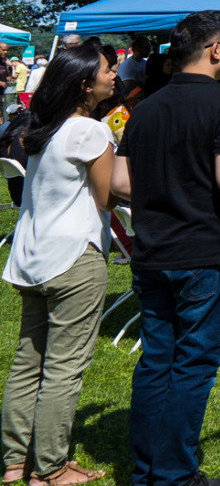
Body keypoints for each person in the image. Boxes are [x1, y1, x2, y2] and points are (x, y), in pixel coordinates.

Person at [118, 11, 220, 486]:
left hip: (152, 250)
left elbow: (123, 180)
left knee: (156, 362)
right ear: (214, 51)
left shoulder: (145, 107)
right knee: (192, 367)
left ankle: (145, 470)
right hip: (203, 253)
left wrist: (167, 191)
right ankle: (173, 476)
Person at [1, 45, 116, 486]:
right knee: (64, 368)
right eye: (107, 71)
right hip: (74, 258)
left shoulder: (41, 130)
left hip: (30, 257)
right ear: (86, 83)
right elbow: (106, 198)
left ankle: (15, 462)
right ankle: (50, 468)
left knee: (28, 361)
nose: (112, 77)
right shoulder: (90, 131)